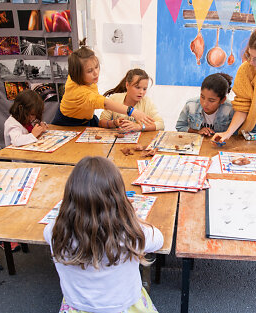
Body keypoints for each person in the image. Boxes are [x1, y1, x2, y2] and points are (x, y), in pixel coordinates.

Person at [44, 156, 163, 313]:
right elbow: (159, 239)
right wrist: (131, 218)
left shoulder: (55, 231)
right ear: (118, 200)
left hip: (77, 307)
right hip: (125, 306)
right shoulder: (132, 234)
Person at [52, 46, 154, 128]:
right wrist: (133, 112)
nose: (96, 73)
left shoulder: (79, 76)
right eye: (89, 71)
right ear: (78, 74)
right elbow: (106, 104)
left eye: (96, 67)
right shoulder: (81, 93)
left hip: (87, 119)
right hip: (68, 124)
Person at [99, 68, 165, 132]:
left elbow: (161, 124)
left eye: (144, 89)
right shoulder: (114, 98)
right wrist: (114, 123)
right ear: (127, 85)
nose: (141, 92)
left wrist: (140, 127)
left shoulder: (147, 102)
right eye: (137, 87)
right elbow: (101, 122)